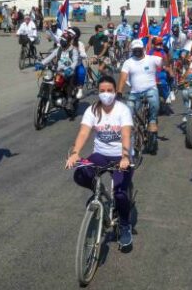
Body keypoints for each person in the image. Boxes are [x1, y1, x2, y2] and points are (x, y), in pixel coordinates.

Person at [65, 76, 134, 247]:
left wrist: (125, 157)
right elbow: (83, 133)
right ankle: (99, 192)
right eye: (102, 91)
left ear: (114, 92)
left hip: (121, 158)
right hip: (100, 156)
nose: (106, 94)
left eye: (109, 90)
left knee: (119, 193)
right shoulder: (93, 110)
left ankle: (125, 225)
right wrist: (75, 153)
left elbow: (126, 134)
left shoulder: (122, 110)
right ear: (98, 91)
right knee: (80, 173)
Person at [117, 40, 162, 154]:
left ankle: (152, 123)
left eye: (139, 49)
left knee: (153, 105)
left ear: (143, 49)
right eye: (135, 50)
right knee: (129, 112)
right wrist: (119, 92)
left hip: (150, 90)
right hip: (135, 92)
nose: (137, 52)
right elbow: (123, 77)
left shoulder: (152, 59)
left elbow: (165, 63)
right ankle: (134, 136)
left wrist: (166, 53)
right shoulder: (128, 62)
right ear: (132, 50)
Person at [40, 32, 79, 112]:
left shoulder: (73, 50)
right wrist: (41, 63)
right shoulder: (59, 49)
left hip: (69, 72)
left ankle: (69, 101)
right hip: (58, 71)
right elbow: (50, 57)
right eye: (61, 39)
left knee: (68, 84)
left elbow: (75, 61)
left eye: (64, 40)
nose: (62, 41)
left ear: (68, 41)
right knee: (47, 78)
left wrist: (70, 68)